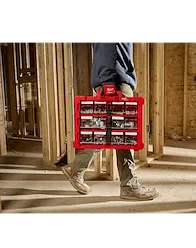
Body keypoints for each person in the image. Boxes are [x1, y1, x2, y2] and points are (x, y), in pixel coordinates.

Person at [62, 40, 158, 201]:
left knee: (103, 134)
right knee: (124, 136)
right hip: (115, 83)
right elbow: (109, 48)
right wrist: (109, 85)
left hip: (112, 81)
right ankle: (129, 185)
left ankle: (76, 169)